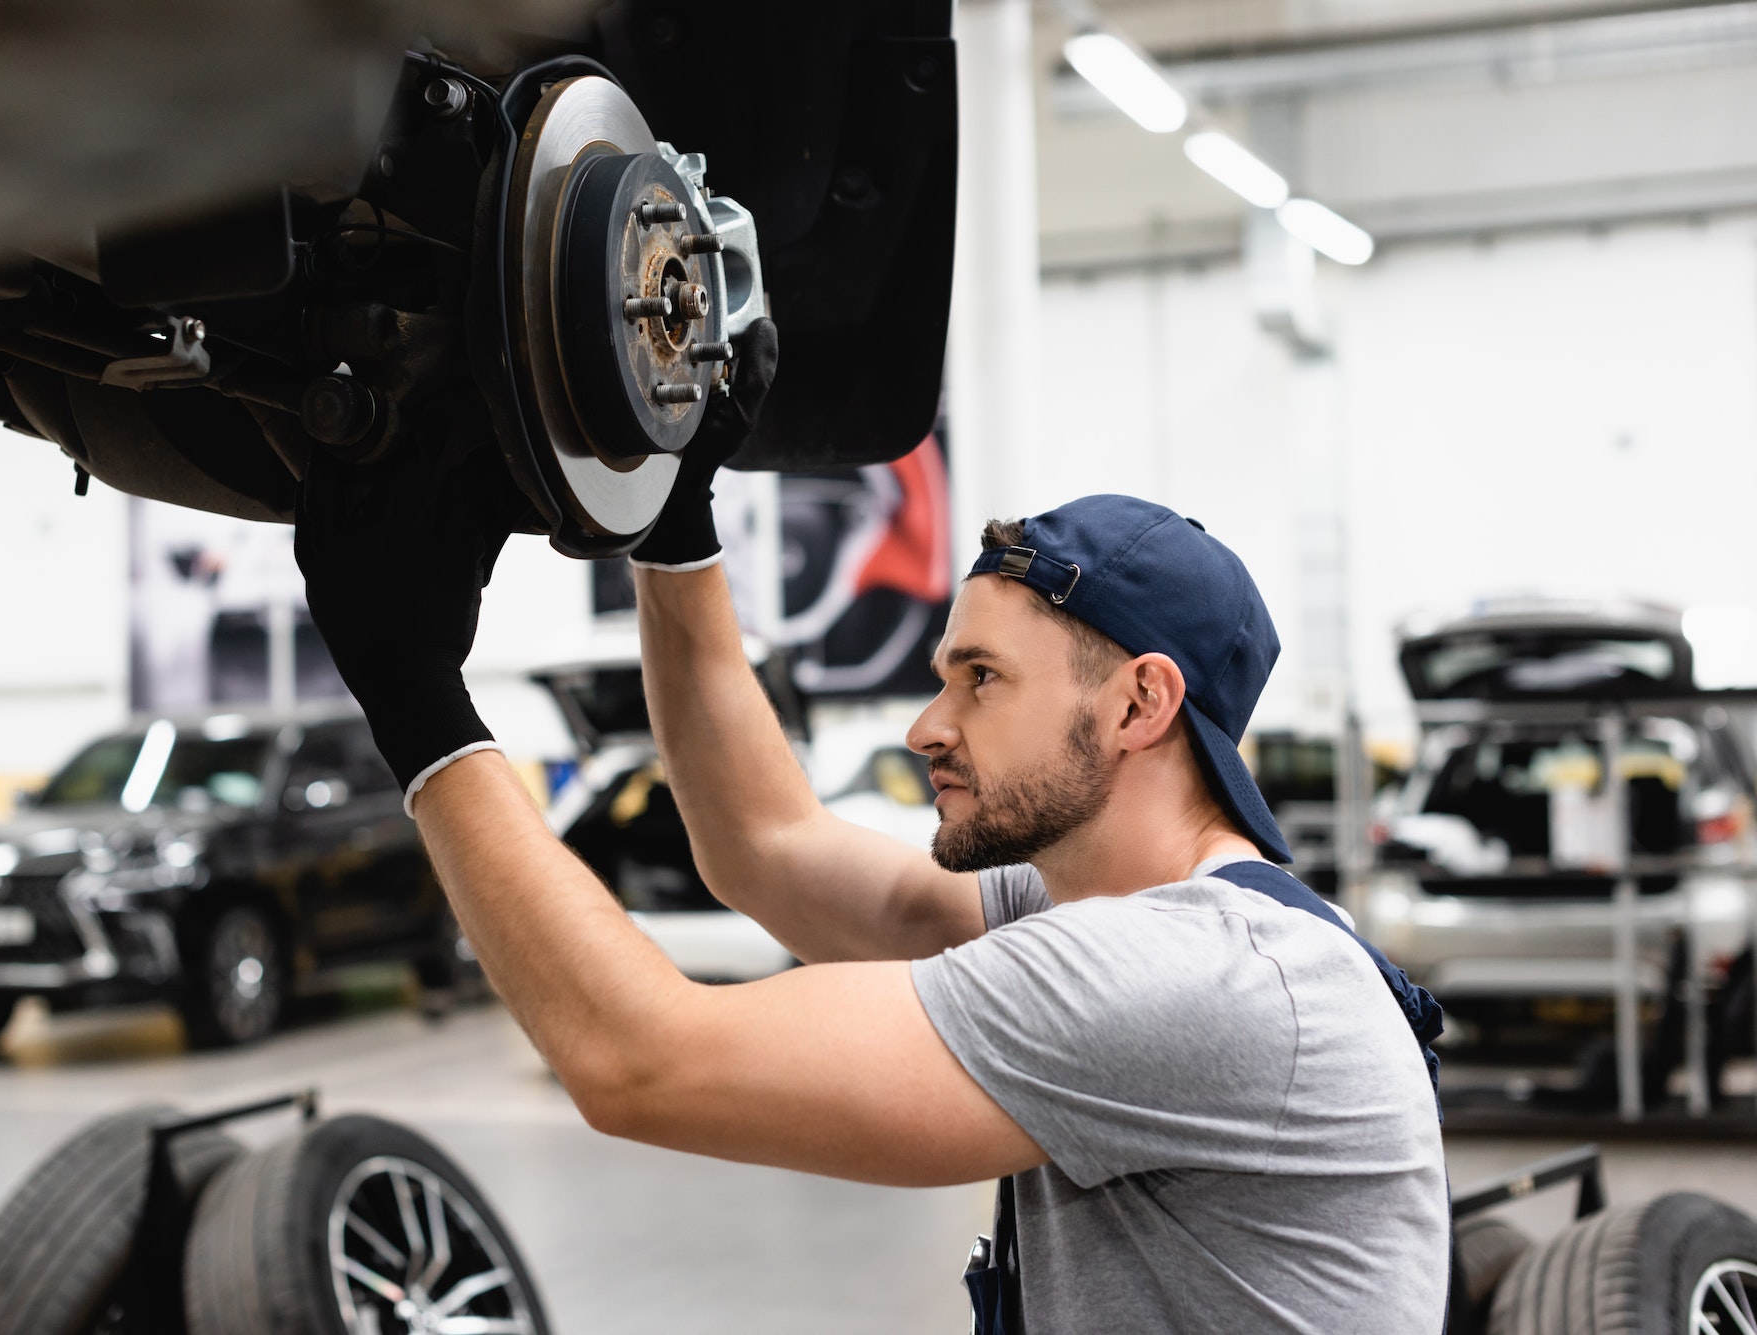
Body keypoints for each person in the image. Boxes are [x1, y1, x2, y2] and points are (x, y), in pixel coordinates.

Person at [294, 322, 1449, 1333]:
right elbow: (767, 845)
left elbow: (641, 1063)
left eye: (980, 680)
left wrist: (417, 702)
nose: (925, 726)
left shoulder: (1198, 980)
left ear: (1138, 704)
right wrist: (670, 516)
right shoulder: (1111, 910)